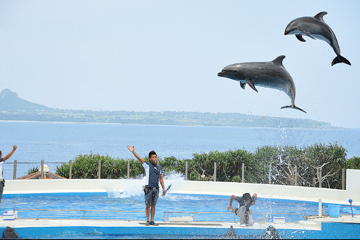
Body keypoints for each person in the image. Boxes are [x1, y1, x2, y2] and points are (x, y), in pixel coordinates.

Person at [127, 145, 166, 226]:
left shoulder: (159, 168)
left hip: (156, 188)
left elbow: (161, 179)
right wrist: (133, 152)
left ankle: (152, 221)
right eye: (153, 157)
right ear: (150, 158)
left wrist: (164, 188)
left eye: (156, 157)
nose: (155, 158)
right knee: (148, 204)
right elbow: (139, 158)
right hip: (148, 188)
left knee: (154, 205)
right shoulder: (147, 165)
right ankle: (148, 220)